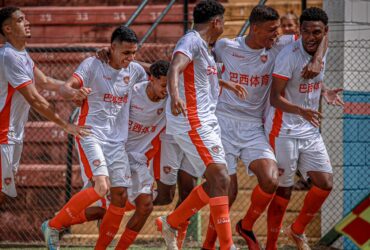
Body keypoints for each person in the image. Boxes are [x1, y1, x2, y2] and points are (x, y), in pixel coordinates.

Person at [202, 5, 327, 250]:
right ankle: (209, 245)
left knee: (271, 179)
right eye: (271, 30)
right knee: (228, 192)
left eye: (278, 30)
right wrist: (220, 82)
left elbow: (322, 32)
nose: (276, 35)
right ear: (254, 28)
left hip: (253, 127)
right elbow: (197, 63)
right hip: (223, 123)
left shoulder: (279, 46)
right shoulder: (227, 47)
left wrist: (318, 58)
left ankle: (245, 226)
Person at [41, 25, 147, 250]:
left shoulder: (135, 70)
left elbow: (156, 71)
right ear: (112, 48)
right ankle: (53, 225)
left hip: (117, 141)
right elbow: (65, 89)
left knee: (120, 196)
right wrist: (75, 93)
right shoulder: (92, 64)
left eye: (134, 53)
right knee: (101, 187)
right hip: (90, 133)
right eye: (126, 52)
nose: (130, 57)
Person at [156, 1, 240, 249]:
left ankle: (172, 221)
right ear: (216, 22)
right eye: (223, 21)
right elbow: (175, 68)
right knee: (221, 179)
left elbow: (201, 78)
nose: (223, 26)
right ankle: (226, 245)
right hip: (193, 119)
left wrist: (226, 85)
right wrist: (175, 95)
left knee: (218, 181)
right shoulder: (191, 41)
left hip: (206, 120)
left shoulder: (205, 47)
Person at [266, 7, 342, 250]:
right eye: (306, 31)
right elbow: (275, 98)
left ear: (324, 32)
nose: (311, 37)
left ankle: (297, 231)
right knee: (284, 191)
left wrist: (324, 89)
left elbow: (324, 43)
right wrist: (301, 110)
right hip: (284, 128)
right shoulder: (289, 56)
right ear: (299, 31)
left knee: (325, 182)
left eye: (316, 32)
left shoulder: (322, 48)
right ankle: (271, 245)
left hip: (308, 129)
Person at [0, 6, 89, 205]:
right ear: (8, 29)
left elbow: (46, 81)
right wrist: (66, 126)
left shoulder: (21, 54)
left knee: (5, 192)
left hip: (13, 133)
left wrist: (77, 89)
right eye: (21, 20)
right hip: (3, 134)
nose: (28, 22)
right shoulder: (9, 57)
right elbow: (35, 99)